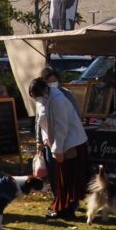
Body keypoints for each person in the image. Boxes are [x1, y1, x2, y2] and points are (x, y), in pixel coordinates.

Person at [29, 75, 89, 220]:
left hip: (71, 143)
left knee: (68, 178)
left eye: (38, 95)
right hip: (54, 142)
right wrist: (45, 141)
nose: (37, 99)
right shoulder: (41, 100)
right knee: (59, 179)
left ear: (45, 89)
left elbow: (62, 127)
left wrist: (58, 150)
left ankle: (68, 209)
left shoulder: (58, 100)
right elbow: (42, 123)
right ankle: (61, 207)